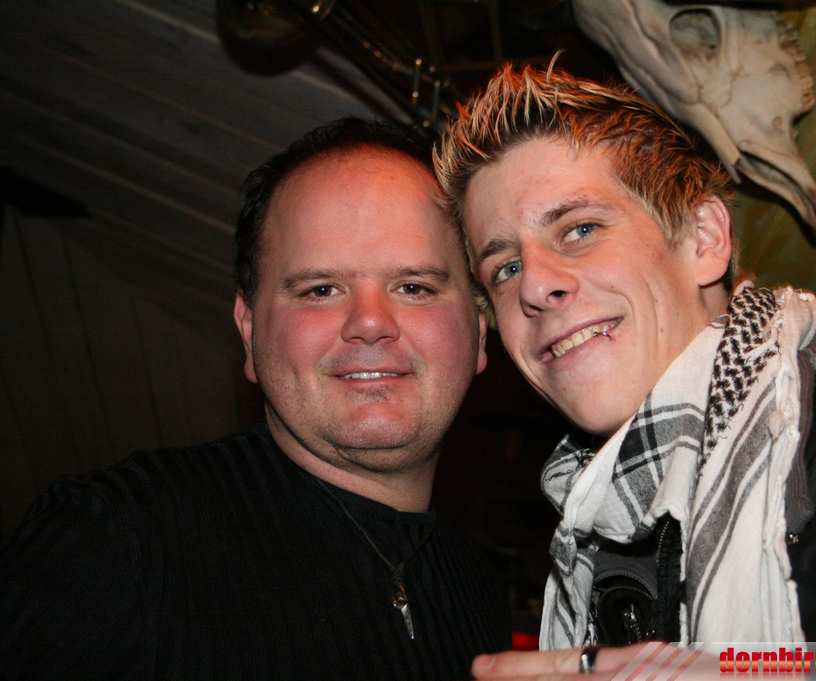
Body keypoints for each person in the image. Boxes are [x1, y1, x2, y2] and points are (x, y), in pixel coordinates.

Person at [433, 64, 816, 675]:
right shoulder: (589, 548)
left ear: (703, 238)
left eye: (580, 229)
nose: (534, 285)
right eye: (505, 269)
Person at [0, 118, 510, 679]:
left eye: (414, 287)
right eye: (321, 290)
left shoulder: (479, 590)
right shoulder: (115, 540)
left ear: (479, 330)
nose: (369, 323)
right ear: (248, 332)